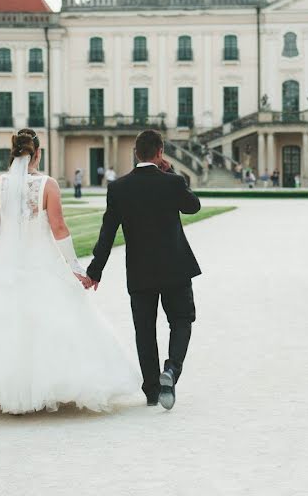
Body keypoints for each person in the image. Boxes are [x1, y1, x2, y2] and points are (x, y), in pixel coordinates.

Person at [0, 129, 139, 414]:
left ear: (14, 153)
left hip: (6, 265)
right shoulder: (49, 185)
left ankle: (5, 385)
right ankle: (47, 384)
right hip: (42, 263)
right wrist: (75, 267)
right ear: (38, 153)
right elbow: (58, 228)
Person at [83, 129, 201, 410]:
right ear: (160, 153)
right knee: (182, 320)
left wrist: (94, 271)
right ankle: (171, 371)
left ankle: (151, 391)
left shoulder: (119, 188)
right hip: (175, 267)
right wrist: (173, 174)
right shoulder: (172, 182)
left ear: (136, 153)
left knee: (144, 331)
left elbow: (107, 233)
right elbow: (193, 206)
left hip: (139, 270)